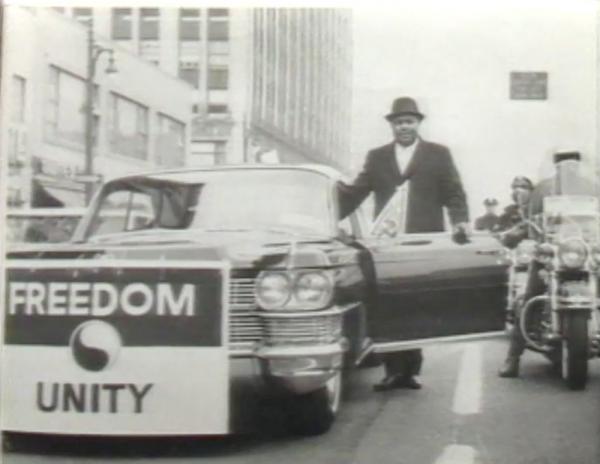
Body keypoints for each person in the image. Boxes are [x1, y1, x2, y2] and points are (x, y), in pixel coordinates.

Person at [338, 96, 470, 391]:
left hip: (425, 241)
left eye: (409, 121)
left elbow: (454, 192)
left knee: (416, 303)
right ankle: (393, 370)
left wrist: (460, 219)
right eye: (398, 123)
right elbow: (355, 193)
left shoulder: (439, 154)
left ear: (418, 123)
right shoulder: (377, 157)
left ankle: (410, 371)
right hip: (387, 243)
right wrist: (325, 211)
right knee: (388, 304)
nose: (404, 127)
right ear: (392, 126)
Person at [498, 151, 596, 378]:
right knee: (530, 296)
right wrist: (526, 234)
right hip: (551, 252)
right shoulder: (543, 189)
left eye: (571, 158)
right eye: (563, 158)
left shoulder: (593, 188)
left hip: (584, 252)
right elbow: (530, 220)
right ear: (556, 163)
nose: (567, 163)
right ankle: (513, 358)